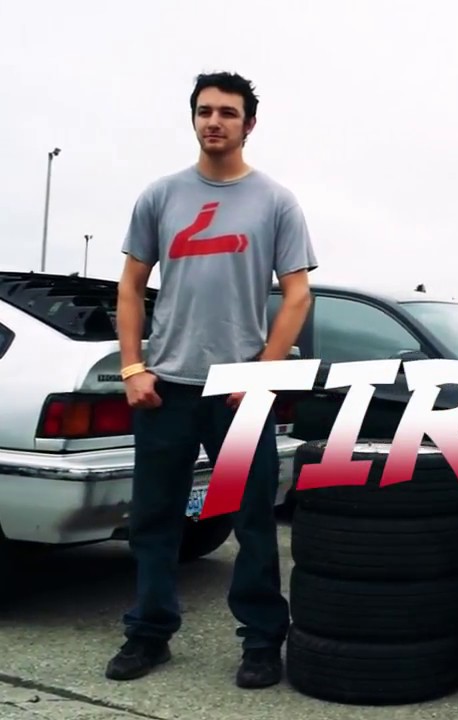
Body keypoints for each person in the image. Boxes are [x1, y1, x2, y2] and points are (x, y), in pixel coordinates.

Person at [106, 71, 317, 689]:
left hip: (237, 391)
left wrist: (263, 372)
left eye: (228, 112)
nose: (214, 121)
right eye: (204, 111)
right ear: (192, 118)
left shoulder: (276, 201)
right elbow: (129, 286)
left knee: (250, 519)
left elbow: (298, 295)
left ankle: (259, 641)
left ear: (249, 124)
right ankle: (148, 632)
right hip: (165, 385)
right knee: (155, 518)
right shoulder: (160, 196)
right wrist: (132, 366)